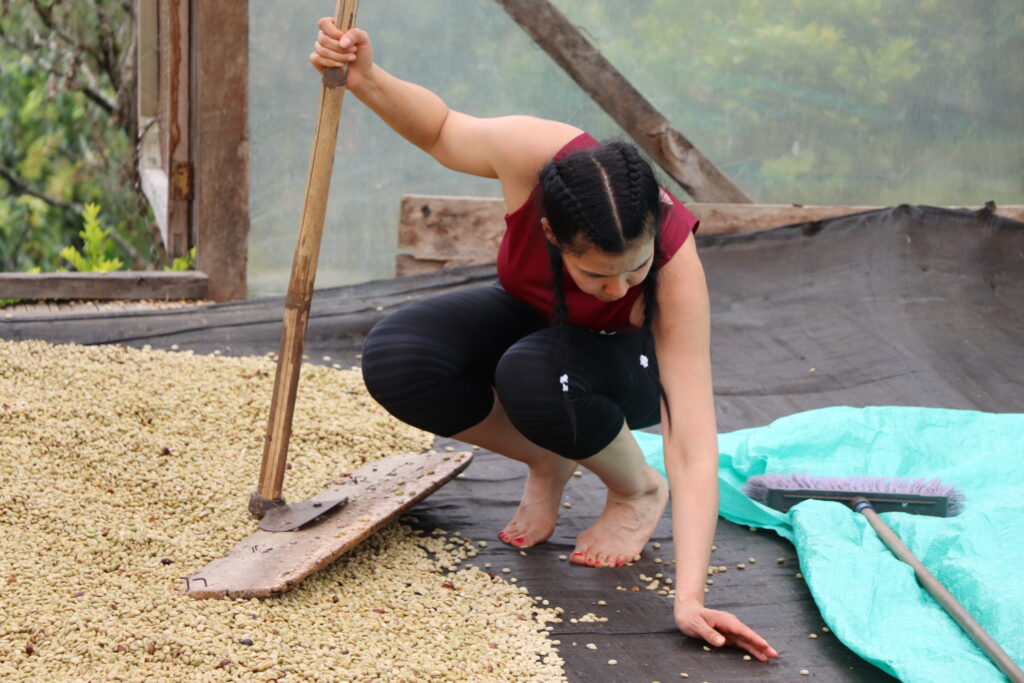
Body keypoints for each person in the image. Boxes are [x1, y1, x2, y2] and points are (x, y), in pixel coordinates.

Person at [311, 18, 778, 662]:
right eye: (596, 273)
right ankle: (546, 456)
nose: (616, 289)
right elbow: (443, 130)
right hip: (540, 325)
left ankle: (636, 488)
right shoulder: (534, 156)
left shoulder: (675, 263)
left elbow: (693, 438)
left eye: (634, 270)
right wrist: (365, 78)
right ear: (554, 236)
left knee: (535, 373)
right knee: (400, 357)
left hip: (621, 366)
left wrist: (689, 596)